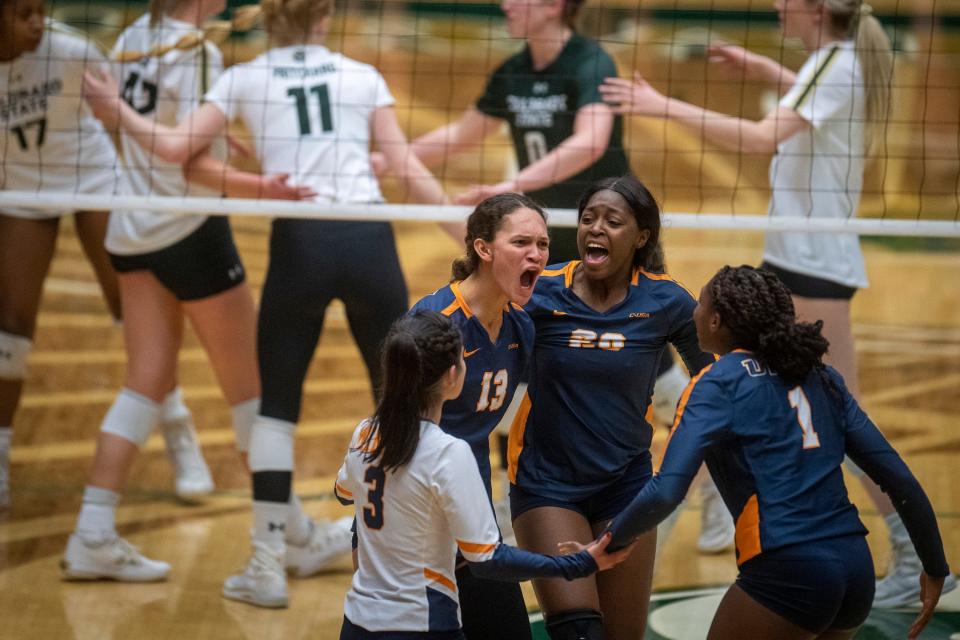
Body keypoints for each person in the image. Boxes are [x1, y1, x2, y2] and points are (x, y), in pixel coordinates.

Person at [82, 0, 452, 606]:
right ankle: (410, 559)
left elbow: (176, 151)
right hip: (368, 237)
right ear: (325, 19)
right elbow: (407, 168)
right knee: (399, 400)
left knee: (276, 408)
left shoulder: (242, 75)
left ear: (265, 18)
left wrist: (113, 110)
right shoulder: (362, 74)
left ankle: (266, 565)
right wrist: (465, 234)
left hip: (301, 241)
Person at [599, 0, 957, 608]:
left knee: (840, 411)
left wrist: (662, 106)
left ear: (815, 10)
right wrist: (766, 70)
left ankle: (908, 552)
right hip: (799, 259)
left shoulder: (837, 63)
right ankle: (723, 502)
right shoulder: (834, 61)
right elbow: (817, 105)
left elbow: (767, 136)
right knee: (729, 379)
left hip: (811, 265)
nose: (775, 7)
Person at [60, 0, 341, 583]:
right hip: (190, 231)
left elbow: (143, 127)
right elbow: (185, 160)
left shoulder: (133, 34)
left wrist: (214, 147)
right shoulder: (201, 51)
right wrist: (261, 186)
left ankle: (91, 531)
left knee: (144, 383)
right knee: (252, 394)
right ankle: (292, 536)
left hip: (132, 226)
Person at [598, 265, 951, 640]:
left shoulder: (716, 384)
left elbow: (667, 489)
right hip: (855, 570)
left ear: (716, 321)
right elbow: (900, 480)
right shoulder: (821, 375)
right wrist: (934, 567)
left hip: (787, 570)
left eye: (699, 303)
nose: (693, 312)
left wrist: (608, 541)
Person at [334, 310, 633, 639]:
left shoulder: (365, 432)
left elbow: (343, 493)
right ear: (452, 376)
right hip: (423, 623)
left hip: (358, 622)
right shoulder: (448, 453)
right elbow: (488, 560)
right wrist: (576, 564)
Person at [507, 175, 714, 639]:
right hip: (548, 486)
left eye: (612, 221)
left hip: (627, 488)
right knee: (580, 631)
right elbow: (474, 328)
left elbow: (716, 377)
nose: (595, 229)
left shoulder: (665, 299)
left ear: (640, 237)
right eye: (588, 219)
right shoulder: (541, 291)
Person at [0, 0, 124, 510]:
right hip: (22, 187)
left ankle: (181, 440)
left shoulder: (72, 50)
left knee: (131, 307)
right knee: (11, 323)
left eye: (41, 12)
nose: (37, 24)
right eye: (23, 14)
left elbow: (118, 114)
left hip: (89, 173)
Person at [411, 193, 549, 639]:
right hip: (417, 518)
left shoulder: (519, 326)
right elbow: (394, 427)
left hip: (472, 510)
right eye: (522, 242)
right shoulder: (435, 323)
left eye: (543, 244)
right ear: (483, 249)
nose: (536, 254)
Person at [399, 0, 628, 262]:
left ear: (554, 5)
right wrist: (393, 157)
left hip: (604, 225)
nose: (506, 6)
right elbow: (461, 135)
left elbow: (591, 142)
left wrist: (513, 185)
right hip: (546, 227)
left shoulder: (592, 63)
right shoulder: (512, 72)